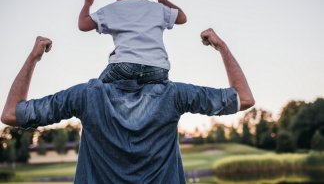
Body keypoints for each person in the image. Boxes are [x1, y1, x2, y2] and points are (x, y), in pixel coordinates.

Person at [1, 28, 254, 184]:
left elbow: (12, 113)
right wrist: (221, 47)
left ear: (113, 59)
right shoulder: (174, 95)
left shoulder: (86, 95)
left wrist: (34, 57)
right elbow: (243, 98)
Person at [78, 0, 187, 84]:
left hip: (125, 66)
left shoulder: (110, 10)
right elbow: (182, 17)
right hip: (158, 69)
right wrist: (165, 2)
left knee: (97, 88)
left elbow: (83, 25)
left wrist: (87, 3)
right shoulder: (158, 8)